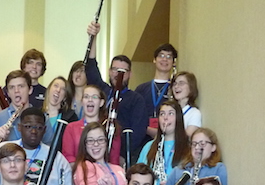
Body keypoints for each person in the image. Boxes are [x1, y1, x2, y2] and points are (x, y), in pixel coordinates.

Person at [84, 20, 147, 158]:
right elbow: (91, 67)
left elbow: (136, 134)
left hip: (118, 156)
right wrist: (93, 38)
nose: (118, 74)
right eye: (115, 69)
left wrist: (120, 154)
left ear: (130, 74)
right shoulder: (103, 91)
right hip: (93, 150)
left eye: (123, 71)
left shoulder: (136, 100)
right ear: (109, 71)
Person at [0, 70, 52, 145]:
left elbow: (49, 149)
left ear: (30, 90)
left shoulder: (42, 118)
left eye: (21, 86)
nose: (16, 91)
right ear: (8, 93)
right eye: (12, 87)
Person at [61, 85, 121, 166]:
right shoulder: (71, 128)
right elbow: (68, 157)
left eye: (94, 97)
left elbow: (114, 160)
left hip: (105, 175)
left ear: (101, 103)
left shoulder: (110, 128)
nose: (90, 100)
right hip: (78, 174)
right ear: (82, 101)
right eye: (86, 97)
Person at [137, 99, 189, 185]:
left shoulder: (188, 148)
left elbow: (190, 180)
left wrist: (172, 184)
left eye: (171, 113)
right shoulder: (148, 147)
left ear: (178, 118)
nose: (165, 117)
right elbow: (138, 175)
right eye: (162, 114)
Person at [134, 43, 178, 141]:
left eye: (169, 57)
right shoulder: (141, 89)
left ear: (174, 62)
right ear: (154, 60)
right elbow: (135, 115)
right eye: (161, 56)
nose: (164, 59)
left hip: (169, 138)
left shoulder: (176, 89)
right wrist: (148, 129)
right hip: (143, 139)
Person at [164, 127, 228, 185]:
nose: (197, 147)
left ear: (213, 147)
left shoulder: (218, 168)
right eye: (194, 144)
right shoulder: (177, 171)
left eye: (202, 144)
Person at [171, 72, 202, 137]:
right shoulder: (170, 109)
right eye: (174, 84)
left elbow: (187, 137)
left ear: (191, 87)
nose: (176, 86)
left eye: (181, 83)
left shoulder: (194, 113)